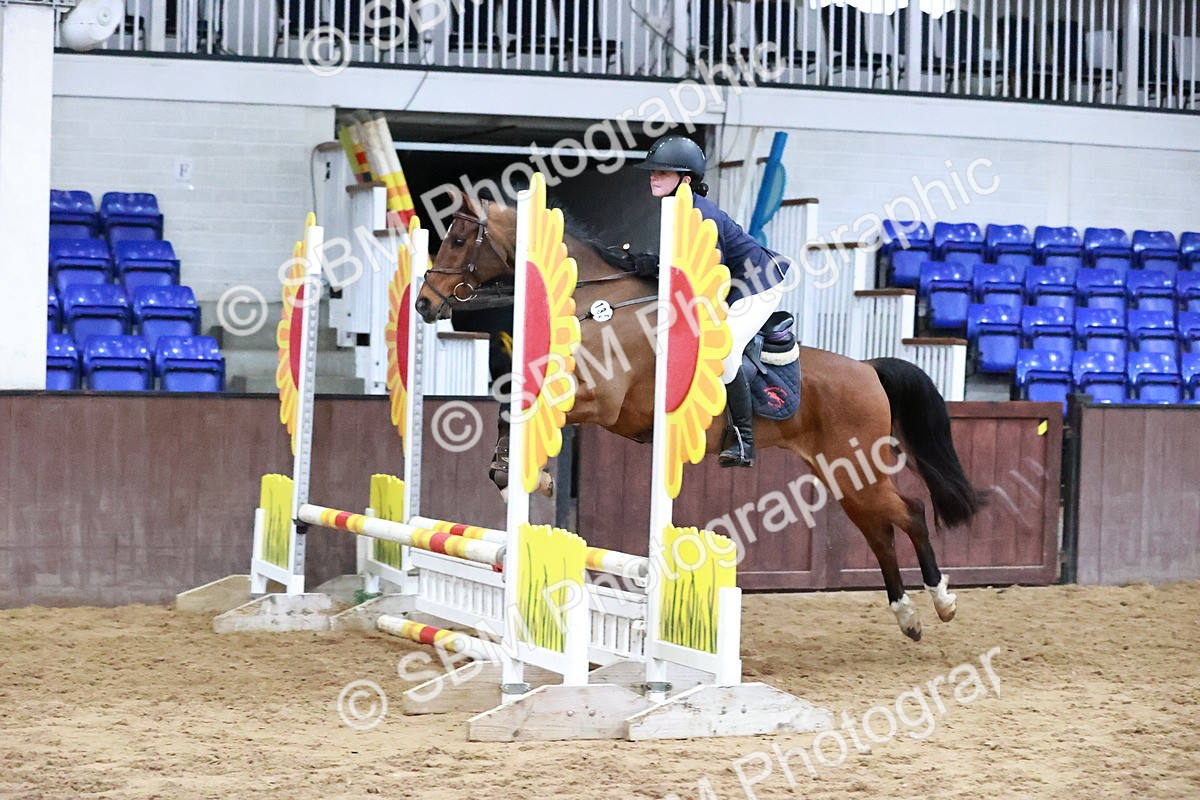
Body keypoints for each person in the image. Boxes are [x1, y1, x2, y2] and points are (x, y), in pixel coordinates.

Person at [637, 134, 793, 468]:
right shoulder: (676, 210)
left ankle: (743, 440)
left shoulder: (699, 214)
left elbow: (708, 275)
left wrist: (660, 268)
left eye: (662, 172)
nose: (653, 176)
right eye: (654, 171)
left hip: (757, 285)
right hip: (734, 282)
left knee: (723, 353)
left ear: (686, 179)